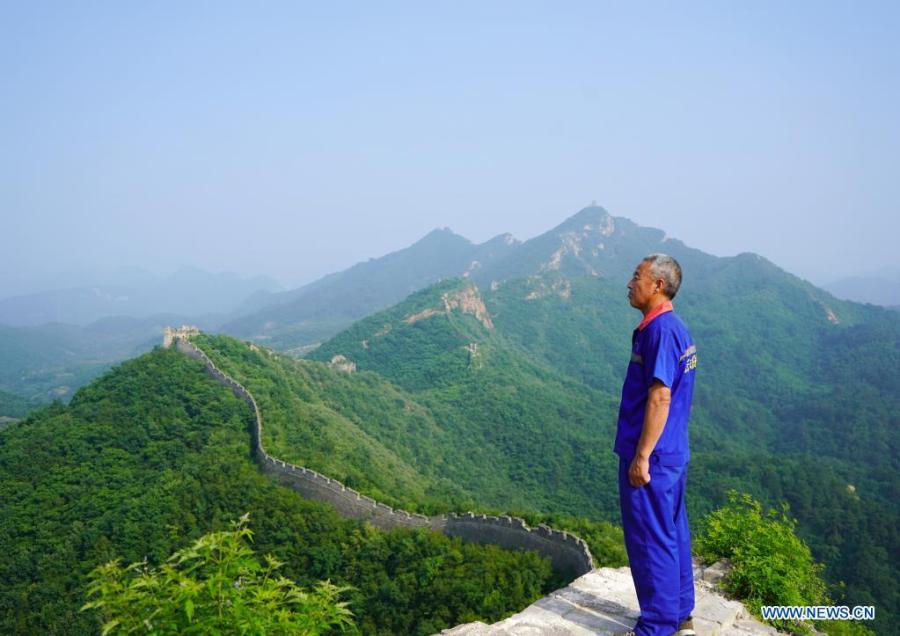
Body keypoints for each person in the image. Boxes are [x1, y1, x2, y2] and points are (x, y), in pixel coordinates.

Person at [615, 254, 698, 636]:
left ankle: (657, 625)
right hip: (672, 453)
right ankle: (679, 610)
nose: (630, 283)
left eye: (637, 277)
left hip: (654, 456)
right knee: (671, 531)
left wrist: (642, 456)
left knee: (649, 538)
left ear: (657, 286)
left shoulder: (661, 331)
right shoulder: (672, 328)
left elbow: (660, 397)